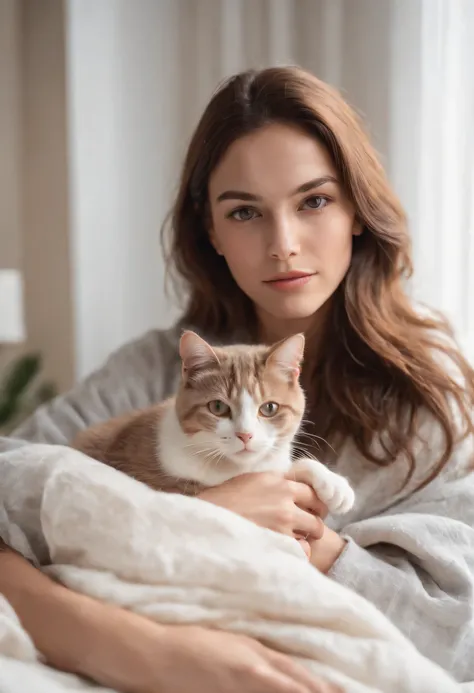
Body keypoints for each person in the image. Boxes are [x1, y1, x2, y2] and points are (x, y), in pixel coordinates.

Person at [1, 65, 473, 691]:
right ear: (211, 231)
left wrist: (310, 538)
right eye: (245, 212)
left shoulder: (430, 399)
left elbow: (458, 631)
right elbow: (12, 489)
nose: (283, 244)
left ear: (358, 209)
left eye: (315, 200)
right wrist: (135, 637)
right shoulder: (152, 371)